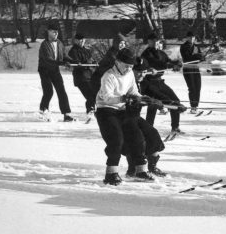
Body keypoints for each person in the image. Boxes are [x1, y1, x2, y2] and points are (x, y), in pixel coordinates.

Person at [95, 48, 155, 186]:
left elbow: (133, 91)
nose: (129, 68)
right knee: (116, 139)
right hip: (106, 111)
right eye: (126, 65)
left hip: (122, 110)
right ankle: (111, 173)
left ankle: (140, 171)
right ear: (117, 62)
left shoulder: (129, 74)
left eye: (131, 66)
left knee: (137, 136)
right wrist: (123, 98)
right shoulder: (108, 76)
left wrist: (145, 98)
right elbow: (107, 98)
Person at [140, 33, 185, 139]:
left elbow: (167, 61)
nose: (156, 43)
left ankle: (175, 127)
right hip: (149, 83)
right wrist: (169, 65)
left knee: (175, 101)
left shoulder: (161, 53)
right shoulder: (146, 54)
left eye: (157, 41)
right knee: (153, 105)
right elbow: (157, 63)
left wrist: (176, 63)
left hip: (160, 82)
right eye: (153, 41)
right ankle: (148, 129)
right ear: (149, 42)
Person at [37, 22, 74, 122]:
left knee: (61, 91)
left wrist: (72, 61)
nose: (56, 34)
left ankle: (67, 114)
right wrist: (62, 63)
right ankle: (43, 111)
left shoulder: (59, 43)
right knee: (48, 91)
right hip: (44, 70)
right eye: (53, 32)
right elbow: (48, 59)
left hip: (55, 70)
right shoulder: (44, 45)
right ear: (48, 32)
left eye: (57, 32)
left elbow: (64, 56)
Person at [67, 33, 95, 117]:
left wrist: (94, 62)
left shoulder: (86, 50)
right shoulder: (73, 51)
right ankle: (90, 111)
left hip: (90, 76)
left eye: (83, 40)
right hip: (81, 78)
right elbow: (75, 62)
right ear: (76, 41)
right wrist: (85, 63)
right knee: (90, 95)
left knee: (94, 94)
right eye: (80, 40)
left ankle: (92, 110)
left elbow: (91, 59)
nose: (82, 42)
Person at [180, 31, 205, 113]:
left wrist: (202, 57)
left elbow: (200, 56)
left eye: (193, 37)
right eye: (190, 37)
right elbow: (186, 57)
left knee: (198, 87)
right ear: (187, 38)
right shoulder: (183, 47)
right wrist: (197, 56)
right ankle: (193, 106)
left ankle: (196, 106)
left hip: (195, 68)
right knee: (192, 88)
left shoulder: (196, 47)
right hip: (188, 68)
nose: (192, 39)